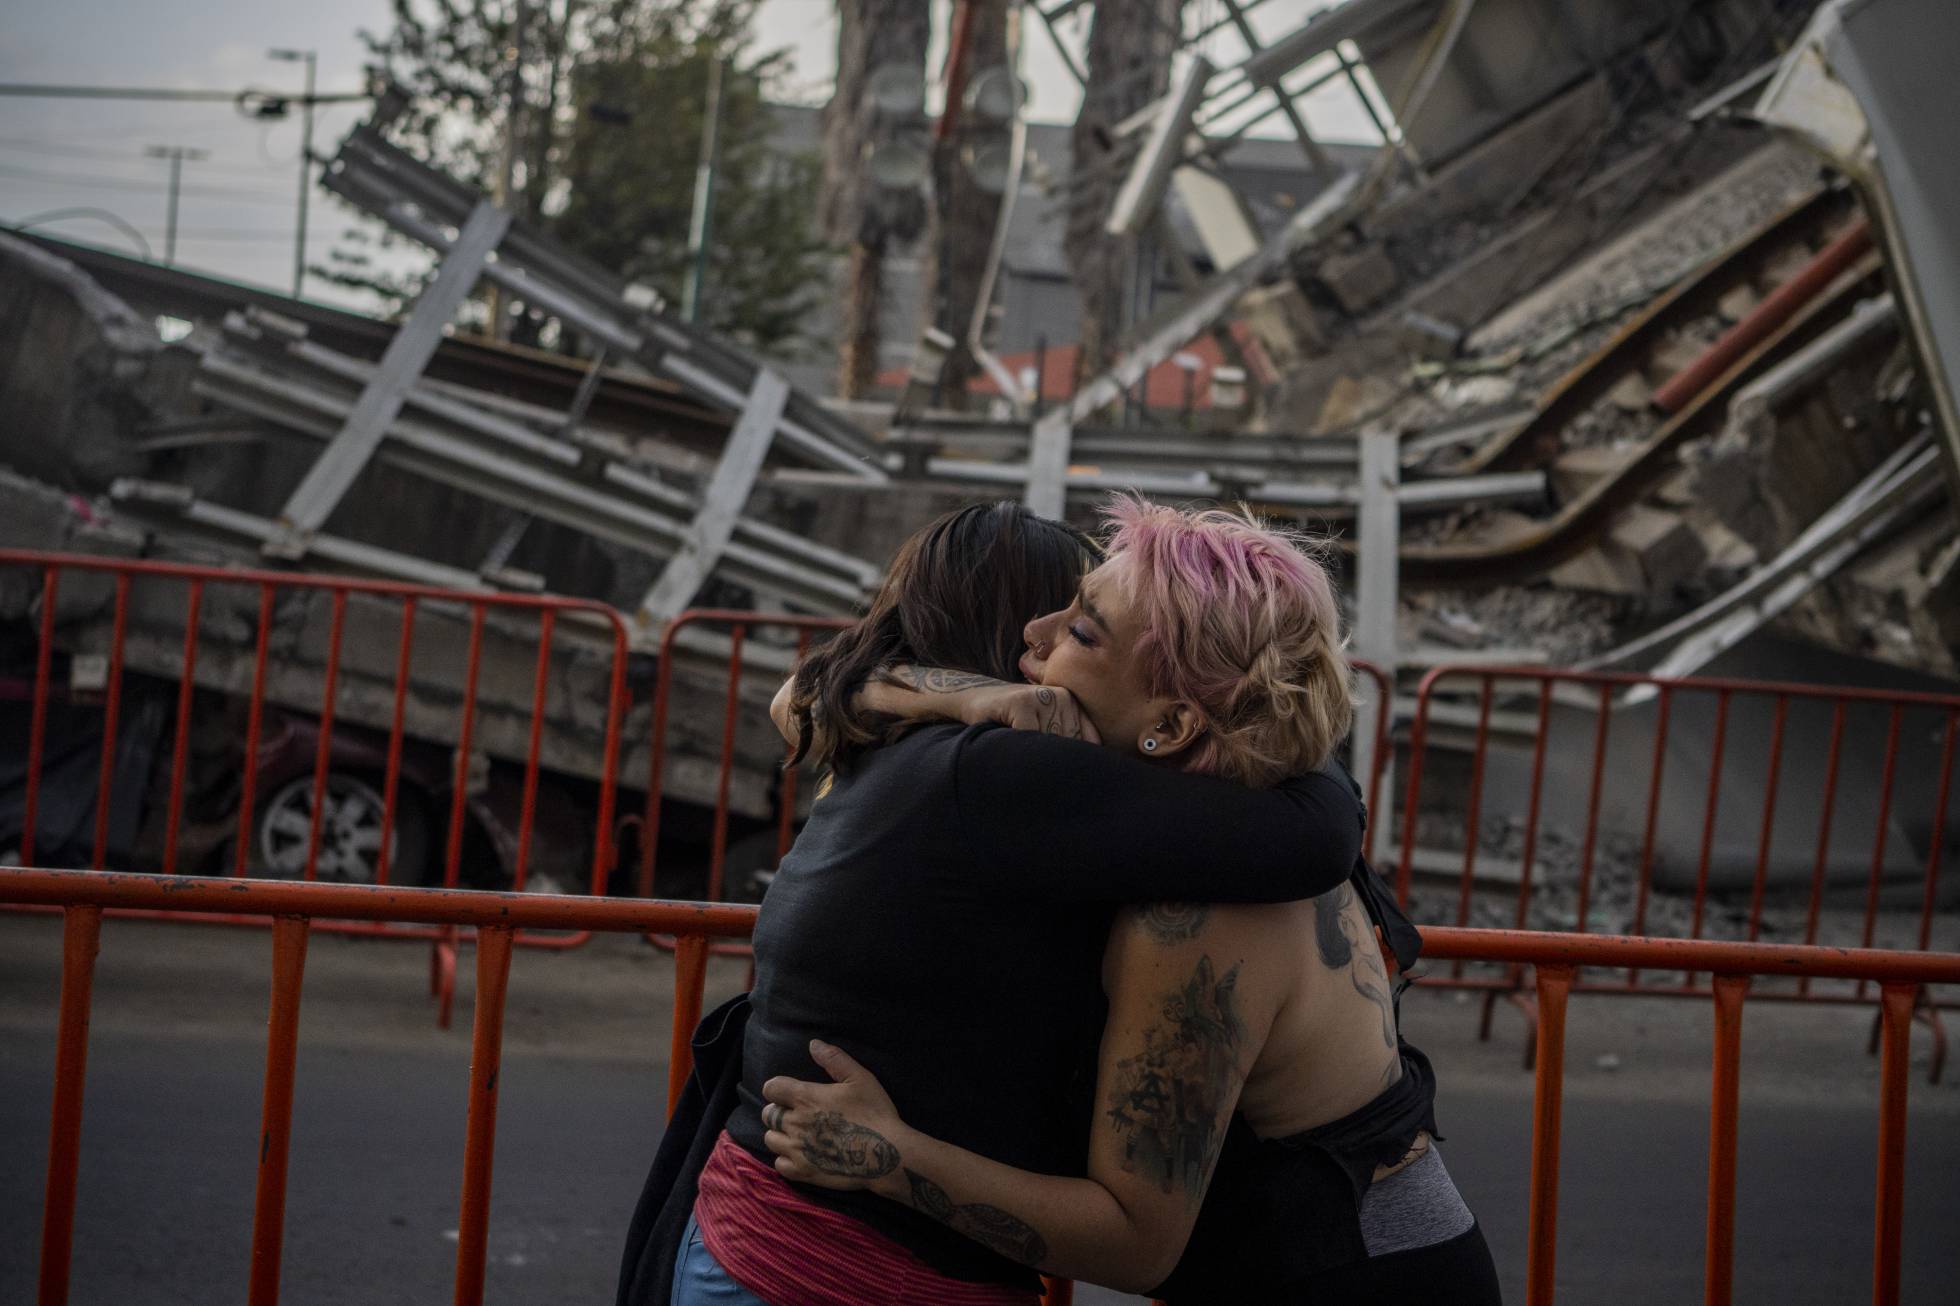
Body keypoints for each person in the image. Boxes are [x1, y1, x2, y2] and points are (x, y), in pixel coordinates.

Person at [762, 498, 1501, 1303]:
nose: (1033, 635)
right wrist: (963, 698)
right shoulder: (1218, 818)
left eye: (1082, 632)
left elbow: (1134, 1239)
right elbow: (803, 696)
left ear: (1173, 721)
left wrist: (889, 1156)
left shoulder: (1200, 911)